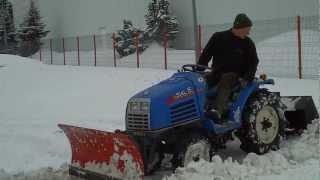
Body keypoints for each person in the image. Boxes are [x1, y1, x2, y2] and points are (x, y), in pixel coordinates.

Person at [197, 13, 259, 122]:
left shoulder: (248, 44)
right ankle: (198, 109)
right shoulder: (218, 37)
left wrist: (247, 78)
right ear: (239, 28)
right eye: (247, 29)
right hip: (216, 72)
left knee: (227, 78)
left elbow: (253, 63)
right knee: (200, 82)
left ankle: (217, 111)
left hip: (236, 76)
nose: (249, 32)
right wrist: (198, 71)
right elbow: (206, 55)